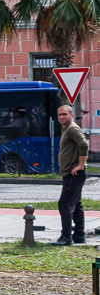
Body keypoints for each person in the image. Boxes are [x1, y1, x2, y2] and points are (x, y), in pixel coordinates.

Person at [51, 104, 89, 246]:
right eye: (59, 114)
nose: (61, 117)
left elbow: (84, 145)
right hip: (71, 173)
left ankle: (66, 237)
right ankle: (79, 235)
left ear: (71, 116)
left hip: (74, 173)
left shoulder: (72, 128)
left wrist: (80, 165)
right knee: (77, 205)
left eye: (64, 114)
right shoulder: (67, 129)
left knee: (64, 204)